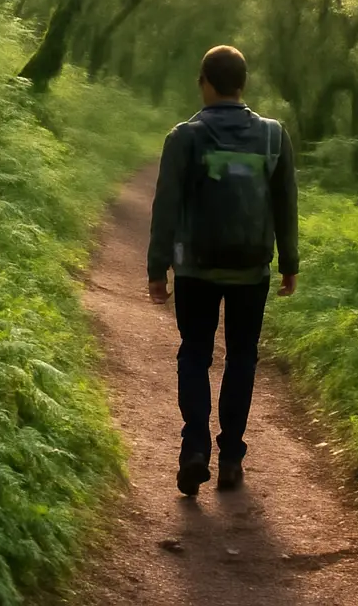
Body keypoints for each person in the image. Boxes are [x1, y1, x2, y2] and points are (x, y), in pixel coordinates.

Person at [147, 45, 299, 497]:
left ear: (205, 82)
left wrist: (158, 267)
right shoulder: (274, 136)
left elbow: (166, 207)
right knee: (242, 357)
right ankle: (231, 456)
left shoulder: (185, 137)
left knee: (194, 352)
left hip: (195, 267)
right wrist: (289, 263)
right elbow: (285, 203)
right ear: (243, 84)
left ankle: (194, 450)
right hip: (252, 268)